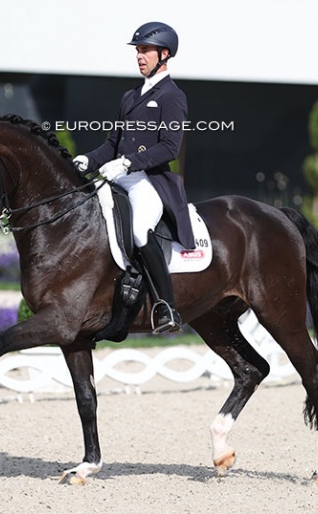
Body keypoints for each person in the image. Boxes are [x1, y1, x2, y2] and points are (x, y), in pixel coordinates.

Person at [73, 21, 194, 334]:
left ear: (164, 54)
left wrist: (128, 163)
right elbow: (112, 144)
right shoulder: (129, 97)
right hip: (120, 175)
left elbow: (169, 147)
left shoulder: (172, 97)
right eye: (138, 51)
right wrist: (88, 159)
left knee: (140, 231)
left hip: (149, 180)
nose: (139, 56)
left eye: (145, 51)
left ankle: (166, 307)